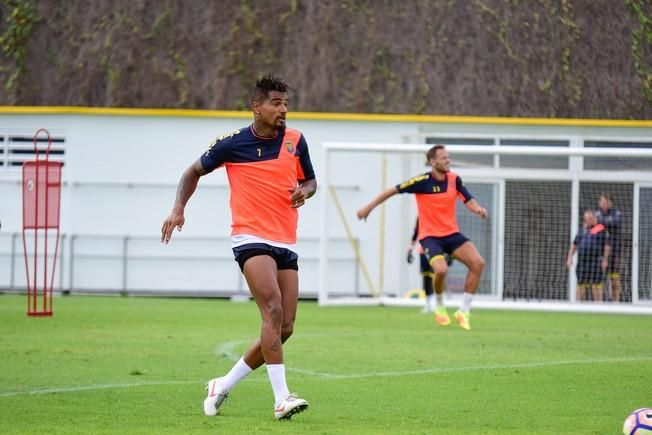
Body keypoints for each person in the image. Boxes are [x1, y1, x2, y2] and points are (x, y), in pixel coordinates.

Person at [160, 74, 317, 420]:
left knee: (286, 326)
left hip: (285, 240)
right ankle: (282, 399)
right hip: (249, 237)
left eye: (286, 104)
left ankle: (223, 384)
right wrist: (178, 209)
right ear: (256, 107)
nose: (283, 110)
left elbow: (310, 181)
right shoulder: (232, 143)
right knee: (272, 311)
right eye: (276, 103)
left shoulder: (296, 141)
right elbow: (192, 172)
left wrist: (303, 192)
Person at [358, 144, 488, 330]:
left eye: (448, 157)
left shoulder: (454, 179)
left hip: (452, 233)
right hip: (430, 238)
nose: (447, 160)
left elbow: (468, 199)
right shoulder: (422, 181)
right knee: (441, 270)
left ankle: (464, 311)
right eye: (443, 158)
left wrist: (478, 210)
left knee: (478, 263)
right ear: (432, 162)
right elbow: (393, 191)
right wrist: (367, 208)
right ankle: (440, 305)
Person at [406, 218, 453, 313]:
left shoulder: (439, 215)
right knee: (426, 277)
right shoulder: (421, 215)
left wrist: (449, 252)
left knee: (437, 275)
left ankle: (439, 302)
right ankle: (428, 303)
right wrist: (410, 249)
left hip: (437, 250)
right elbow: (416, 231)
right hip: (423, 251)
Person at [566, 209, 611, 302]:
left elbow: (607, 245)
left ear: (594, 218)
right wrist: (570, 257)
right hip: (583, 261)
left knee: (596, 284)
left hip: (596, 260)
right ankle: (579, 306)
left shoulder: (600, 228)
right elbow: (574, 245)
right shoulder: (582, 230)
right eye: (586, 219)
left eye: (590, 218)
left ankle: (598, 306)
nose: (588, 221)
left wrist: (605, 259)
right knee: (581, 283)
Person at [595, 193, 623, 302]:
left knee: (615, 279)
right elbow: (593, 228)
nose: (603, 204)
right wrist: (603, 224)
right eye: (601, 202)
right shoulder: (596, 213)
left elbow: (616, 223)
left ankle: (616, 303)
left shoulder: (617, 213)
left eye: (605, 202)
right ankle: (599, 304)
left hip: (614, 252)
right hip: (599, 251)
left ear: (610, 203)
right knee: (598, 279)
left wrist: (601, 224)